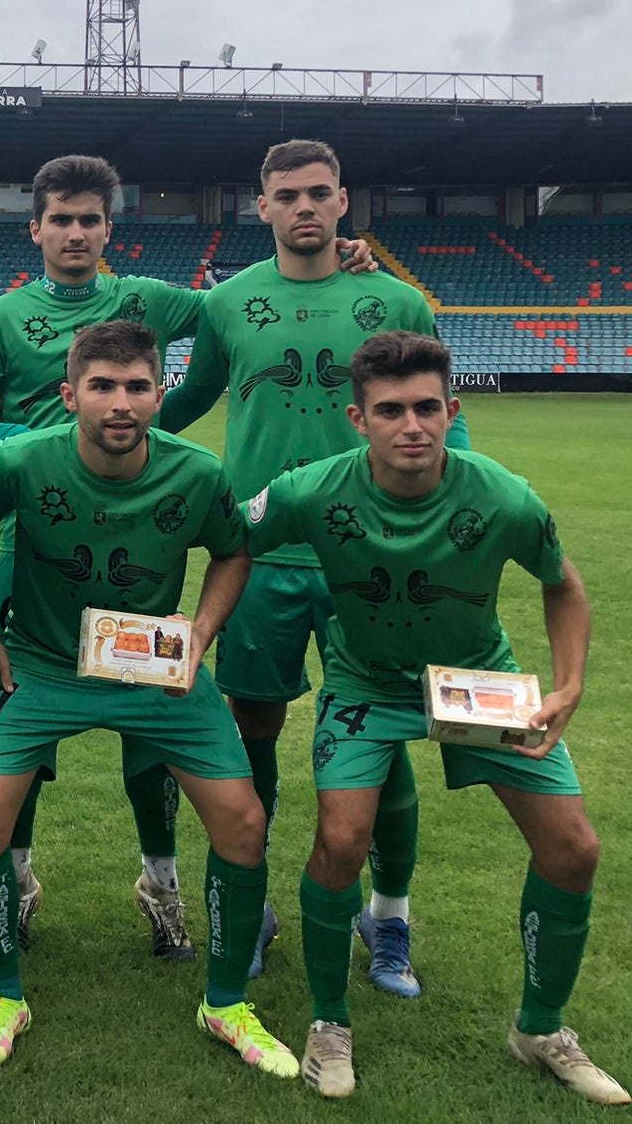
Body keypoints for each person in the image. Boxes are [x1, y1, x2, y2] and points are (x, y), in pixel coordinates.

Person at [0, 153, 376, 951]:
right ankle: (21, 875)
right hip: (43, 529)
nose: (75, 233)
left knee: (153, 726)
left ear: (110, 228)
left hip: (141, 520)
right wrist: (38, 442)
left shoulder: (153, 300)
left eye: (90, 220)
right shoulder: (2, 319)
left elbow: (252, 303)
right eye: (60, 219)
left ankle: (162, 879)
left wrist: (344, 260)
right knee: (20, 728)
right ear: (35, 228)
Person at [244, 332, 627, 1105]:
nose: (410, 425)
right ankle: (328, 1024)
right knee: (342, 839)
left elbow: (563, 583)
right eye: (390, 410)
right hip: (365, 684)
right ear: (358, 418)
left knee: (573, 849)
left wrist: (570, 685)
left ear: (452, 411)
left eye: (426, 408)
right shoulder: (309, 490)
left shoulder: (502, 496)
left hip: (477, 682)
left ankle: (540, 1029)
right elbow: (226, 540)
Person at [156, 139, 469, 985]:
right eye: (286, 194)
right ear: (261, 207)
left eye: (319, 194)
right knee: (251, 731)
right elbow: (186, 399)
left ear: (343, 203)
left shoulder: (396, 298)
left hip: (372, 558)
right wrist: (104, 448)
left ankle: (389, 919)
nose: (303, 207)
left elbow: (445, 418)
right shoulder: (227, 305)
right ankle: (253, 909)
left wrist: (459, 509)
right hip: (259, 554)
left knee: (384, 735)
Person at [0, 321, 297, 1079]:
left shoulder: (197, 472)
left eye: (138, 386)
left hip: (154, 670)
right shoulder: (18, 460)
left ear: (160, 394)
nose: (121, 403)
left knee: (242, 820)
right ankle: (4, 996)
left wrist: (201, 632)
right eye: (102, 386)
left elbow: (235, 549)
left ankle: (227, 1002)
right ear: (69, 393)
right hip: (42, 667)